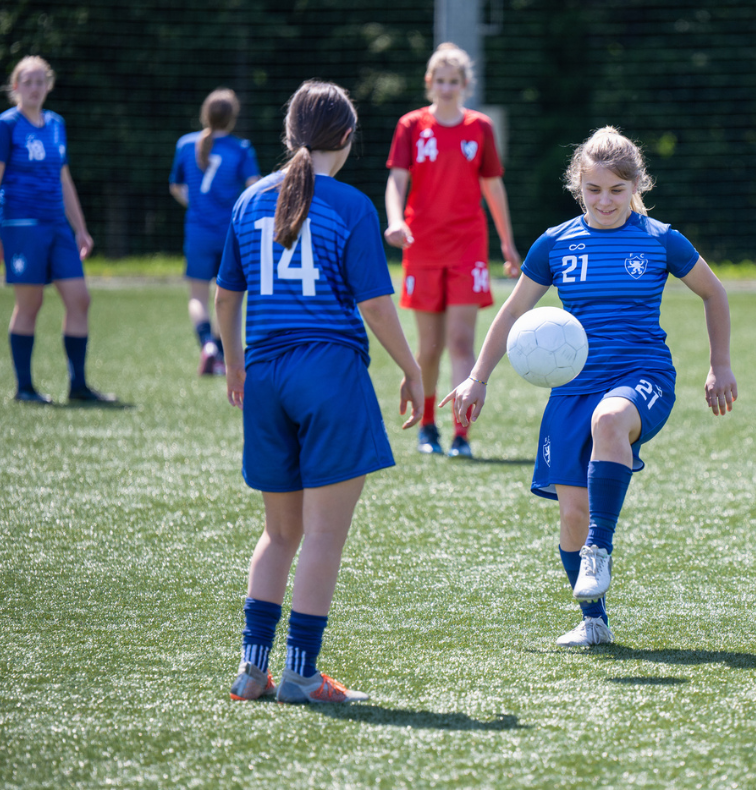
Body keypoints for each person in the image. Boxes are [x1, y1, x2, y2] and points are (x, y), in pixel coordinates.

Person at [442, 127, 738, 647]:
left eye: (617, 191)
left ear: (636, 187)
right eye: (593, 190)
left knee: (609, 422)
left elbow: (713, 294)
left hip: (643, 375)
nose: (605, 201)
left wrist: (720, 365)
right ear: (578, 186)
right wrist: (476, 377)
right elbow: (514, 311)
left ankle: (599, 551)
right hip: (573, 387)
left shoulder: (659, 238)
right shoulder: (555, 243)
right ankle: (594, 621)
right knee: (572, 513)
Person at [215, 80, 424, 704]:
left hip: (265, 376)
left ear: (289, 135)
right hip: (329, 374)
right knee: (324, 535)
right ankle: (302, 676)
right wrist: (412, 371)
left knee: (279, 534)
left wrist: (233, 363)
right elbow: (377, 307)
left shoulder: (248, 200)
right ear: (348, 139)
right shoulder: (352, 205)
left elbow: (227, 297)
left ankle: (253, 671)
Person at [384, 42, 521, 459]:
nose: (446, 87)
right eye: (439, 80)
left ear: (465, 85)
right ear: (429, 83)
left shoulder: (479, 128)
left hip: (467, 247)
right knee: (429, 347)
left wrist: (507, 241)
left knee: (462, 343)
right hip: (422, 247)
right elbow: (396, 180)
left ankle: (462, 434)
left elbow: (492, 186)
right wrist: (395, 219)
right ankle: (428, 426)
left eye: (453, 81)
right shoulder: (411, 125)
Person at [0, 56, 114, 404]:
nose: (35, 87)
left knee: (79, 299)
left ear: (49, 86)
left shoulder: (56, 124)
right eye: (28, 81)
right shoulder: (5, 126)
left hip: (57, 225)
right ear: (15, 87)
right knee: (31, 302)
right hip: (21, 225)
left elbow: (63, 179)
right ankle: (25, 388)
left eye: (41, 81)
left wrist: (80, 229)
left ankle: (78, 386)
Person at [169, 88, 261, 376]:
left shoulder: (185, 144)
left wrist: (196, 204)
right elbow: (254, 188)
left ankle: (207, 346)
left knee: (197, 295)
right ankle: (220, 353)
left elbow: (176, 186)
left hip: (197, 231)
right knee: (228, 295)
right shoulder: (241, 148)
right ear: (232, 118)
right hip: (230, 233)